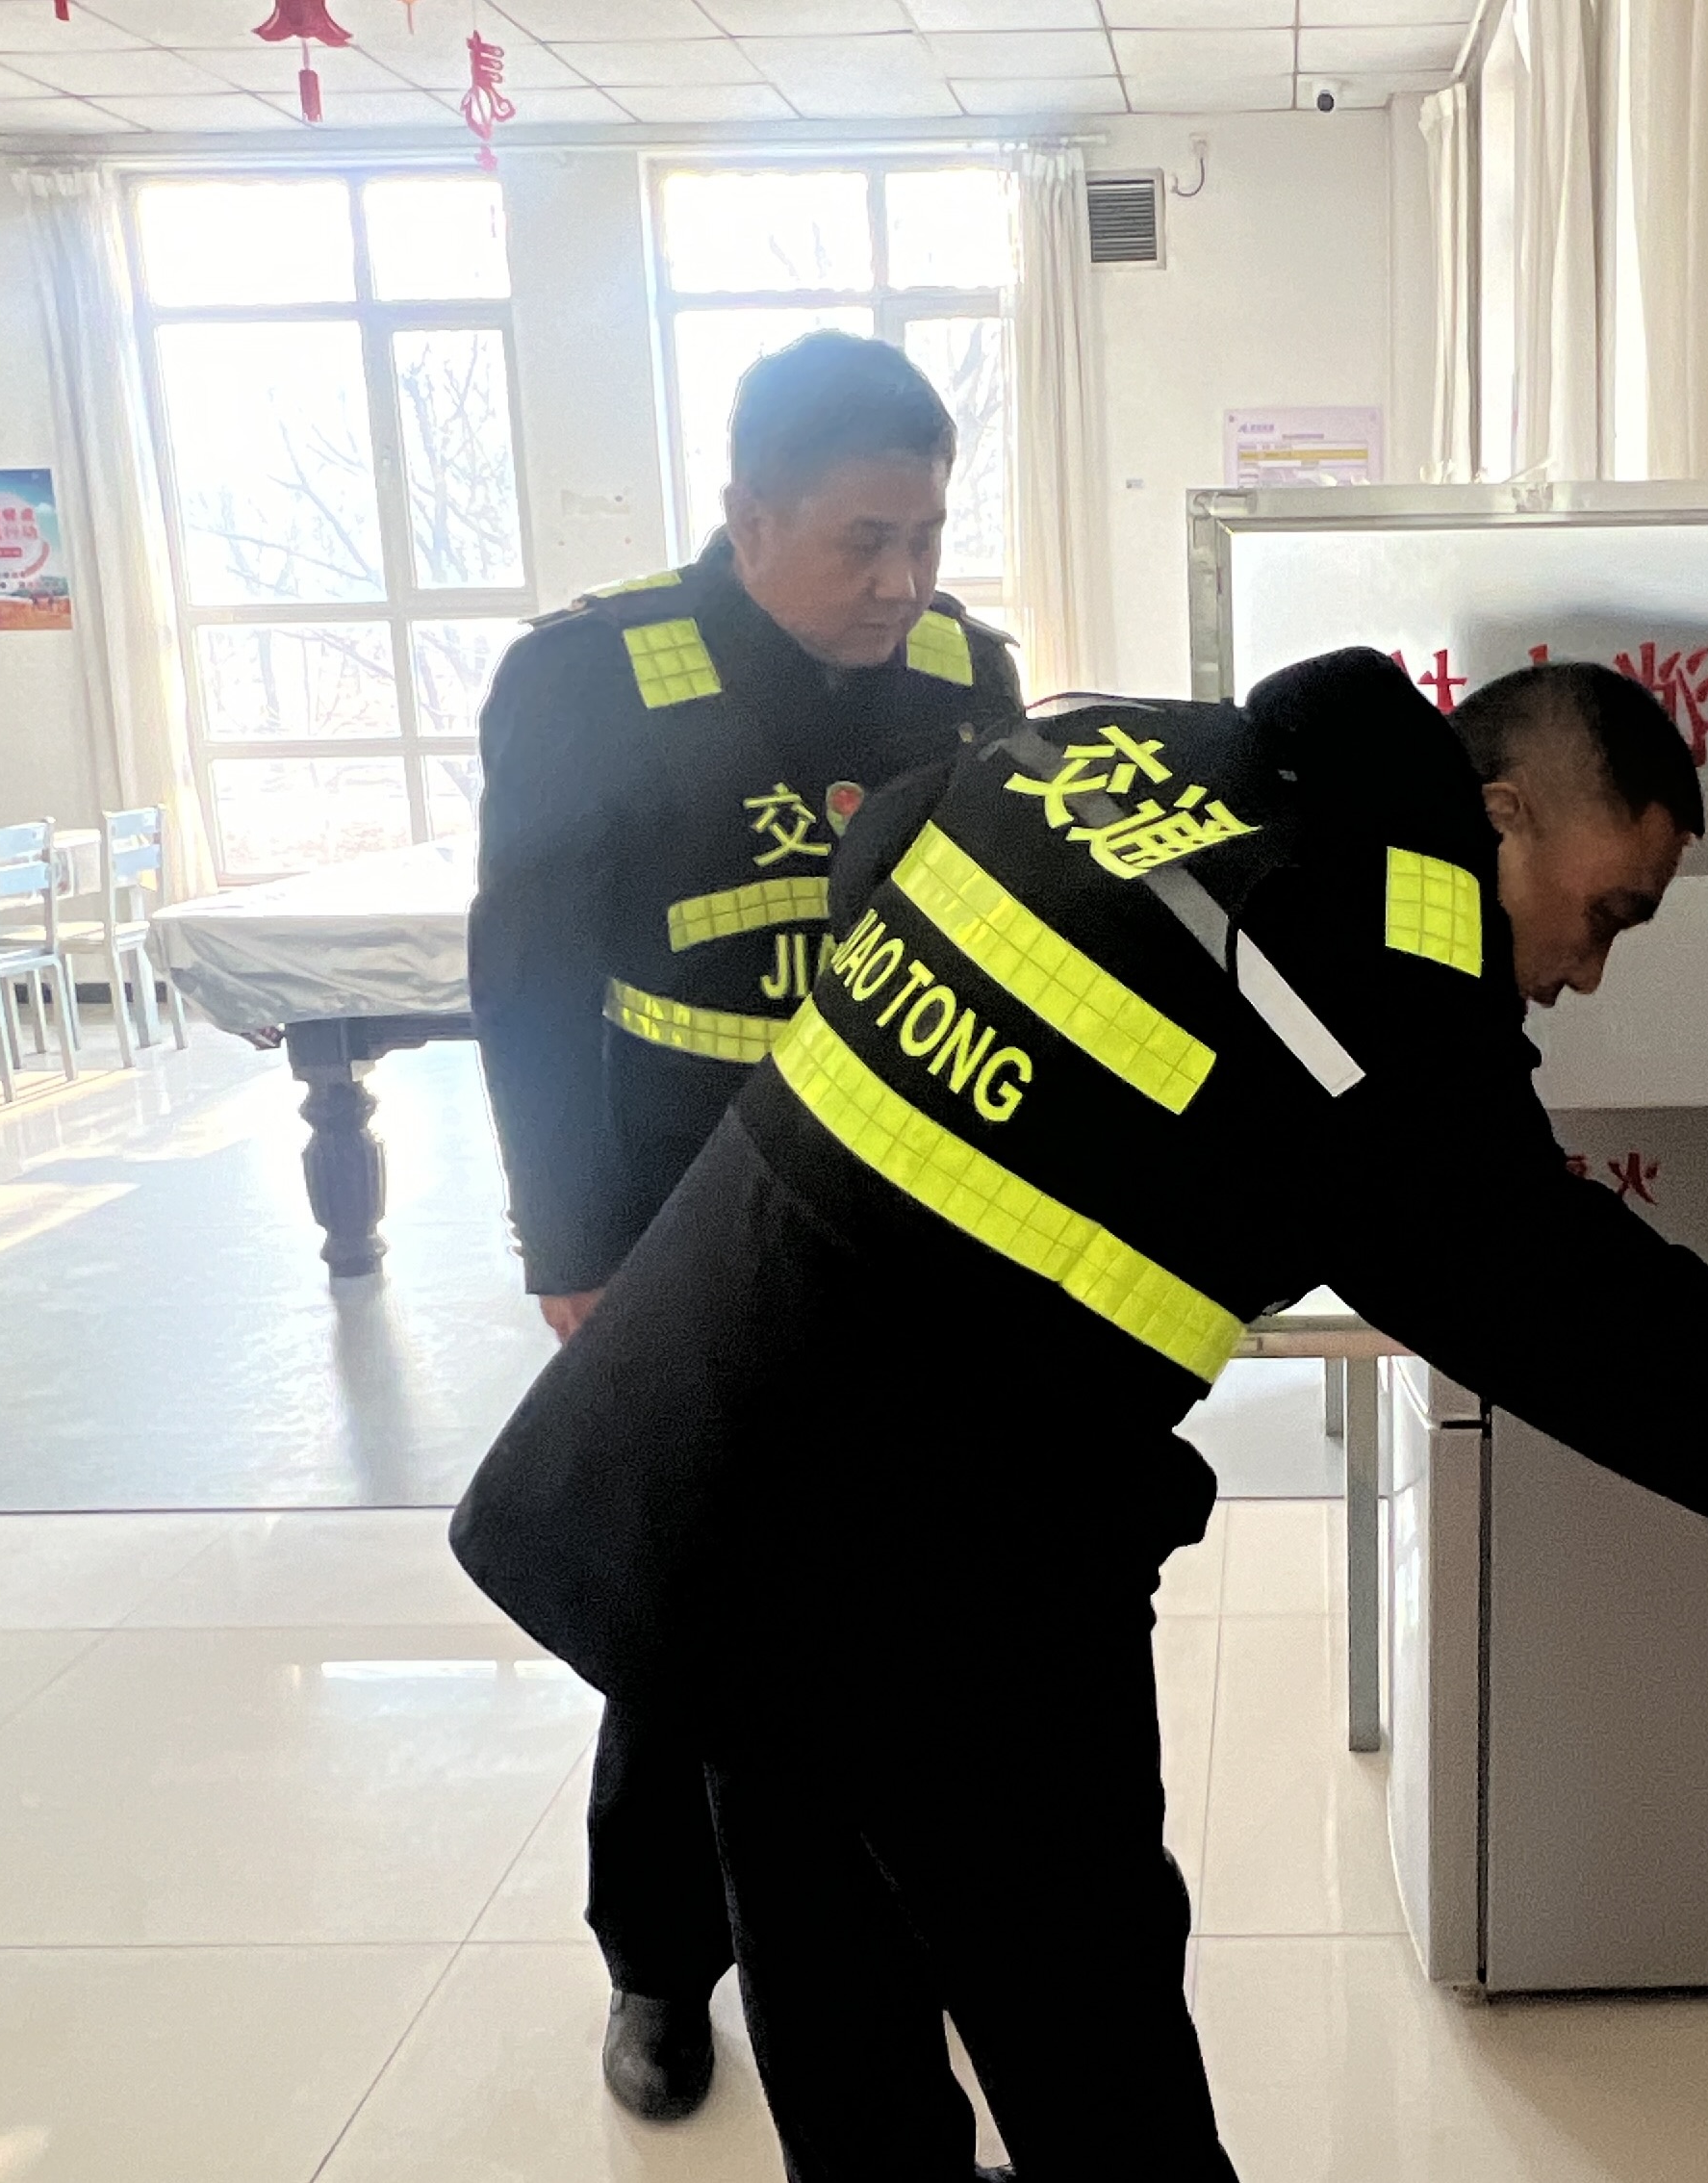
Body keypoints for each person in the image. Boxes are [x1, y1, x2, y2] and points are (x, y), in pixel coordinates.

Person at [453, 650, 1708, 2180]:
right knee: (1083, 2007)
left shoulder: (1132, 753)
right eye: (1608, 913)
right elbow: (1598, 1327)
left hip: (700, 1411)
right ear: (1501, 812)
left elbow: (887, 834)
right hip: (943, 1535)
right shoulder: (1356, 982)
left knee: (815, 1920)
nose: (1589, 971)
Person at [463, 329, 1022, 2123]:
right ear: (749, 513)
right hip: (677, 1215)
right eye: (865, 540)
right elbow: (527, 988)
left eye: (927, 536)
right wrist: (566, 1244)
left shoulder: (965, 673)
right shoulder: (589, 678)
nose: (903, 581)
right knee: (686, 1599)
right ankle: (659, 1959)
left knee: (898, 1592)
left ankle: (888, 1936)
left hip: (908, 1224)